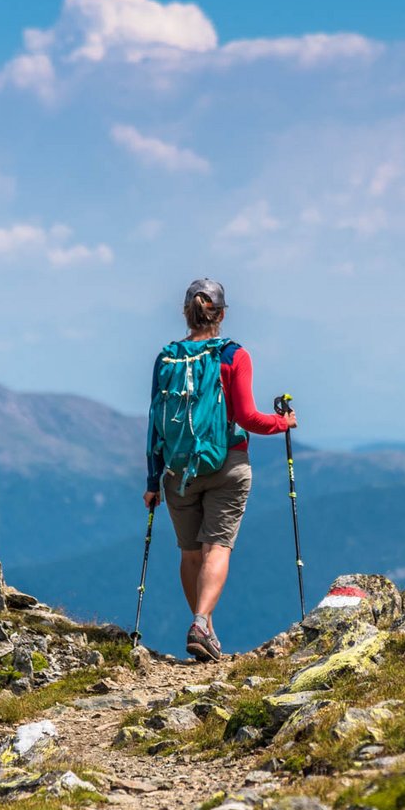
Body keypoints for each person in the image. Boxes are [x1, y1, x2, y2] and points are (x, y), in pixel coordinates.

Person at [144, 278, 296, 662]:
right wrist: (284, 423)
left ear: (186, 314)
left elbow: (155, 423)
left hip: (178, 471)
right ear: (222, 314)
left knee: (190, 552)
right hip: (227, 463)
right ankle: (201, 623)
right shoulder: (234, 355)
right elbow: (247, 417)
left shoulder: (167, 358)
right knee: (217, 548)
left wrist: (152, 481)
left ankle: (205, 628)